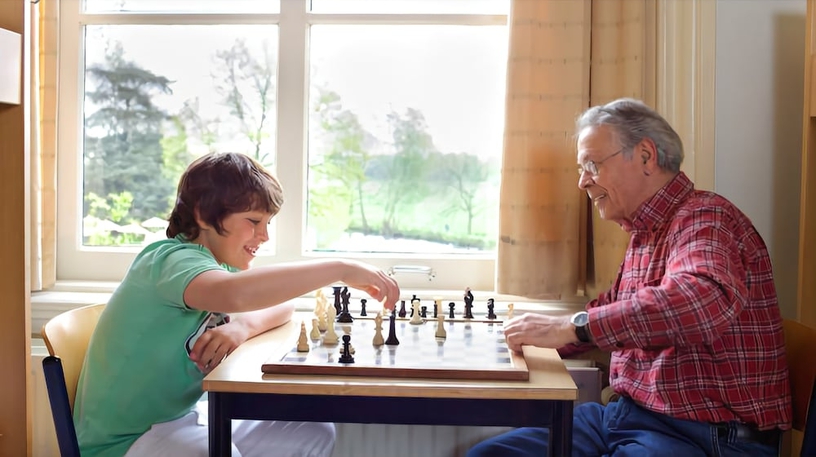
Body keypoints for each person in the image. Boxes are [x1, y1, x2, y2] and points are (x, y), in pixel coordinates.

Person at [468, 98, 791, 457]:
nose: (582, 182)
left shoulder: (707, 219)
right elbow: (609, 312)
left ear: (646, 157)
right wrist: (531, 336)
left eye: (591, 164)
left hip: (701, 434)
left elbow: (697, 303)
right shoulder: (645, 233)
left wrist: (576, 327)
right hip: (627, 418)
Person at [73, 152, 401, 457]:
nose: (265, 236)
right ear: (203, 214)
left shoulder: (219, 265)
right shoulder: (171, 260)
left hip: (180, 417)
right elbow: (236, 295)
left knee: (311, 431)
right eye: (254, 221)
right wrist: (339, 269)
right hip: (125, 441)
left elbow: (279, 304)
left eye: (267, 223)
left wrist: (241, 327)